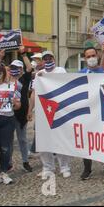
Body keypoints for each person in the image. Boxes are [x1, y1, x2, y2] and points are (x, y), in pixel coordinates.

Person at [28, 51, 72, 179]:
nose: (47, 60)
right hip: (43, 111)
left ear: (54, 58)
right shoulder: (39, 75)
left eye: (49, 58)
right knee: (43, 141)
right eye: (45, 58)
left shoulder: (60, 70)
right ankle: (47, 167)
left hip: (59, 110)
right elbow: (33, 93)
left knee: (61, 139)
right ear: (42, 60)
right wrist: (29, 110)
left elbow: (64, 85)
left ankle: (64, 167)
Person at [79, 47, 104, 180]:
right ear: (84, 59)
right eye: (88, 56)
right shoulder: (81, 73)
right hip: (88, 112)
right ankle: (87, 168)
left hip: (103, 112)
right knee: (87, 140)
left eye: (93, 55)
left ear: (98, 55)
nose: (91, 58)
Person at [8, 47, 34, 173]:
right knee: (8, 140)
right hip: (7, 113)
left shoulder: (24, 79)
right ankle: (8, 163)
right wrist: (1, 57)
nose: (15, 70)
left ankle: (25, 162)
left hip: (21, 113)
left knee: (22, 139)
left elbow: (30, 68)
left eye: (17, 68)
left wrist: (23, 54)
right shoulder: (5, 80)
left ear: (21, 70)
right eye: (12, 68)